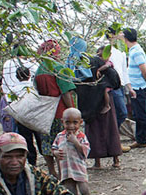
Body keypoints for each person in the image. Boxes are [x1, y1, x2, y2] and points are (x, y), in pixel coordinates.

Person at [69, 38, 122, 169]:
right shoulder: (94, 61)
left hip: (90, 103)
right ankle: (115, 160)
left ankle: (98, 162)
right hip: (101, 100)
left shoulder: (74, 64)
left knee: (94, 130)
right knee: (110, 127)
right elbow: (115, 80)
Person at [34, 40, 76, 179]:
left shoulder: (39, 69)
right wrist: (71, 110)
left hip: (45, 112)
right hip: (59, 111)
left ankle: (52, 171)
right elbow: (65, 92)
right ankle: (63, 170)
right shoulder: (58, 68)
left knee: (46, 142)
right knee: (61, 141)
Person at [52, 108, 96, 195]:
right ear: (62, 122)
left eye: (75, 122)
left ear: (80, 122)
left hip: (78, 169)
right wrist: (56, 153)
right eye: (67, 122)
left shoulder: (81, 136)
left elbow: (85, 151)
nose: (71, 126)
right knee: (71, 192)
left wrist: (75, 141)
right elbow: (54, 149)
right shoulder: (59, 136)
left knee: (84, 189)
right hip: (66, 169)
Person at [122, 28, 146, 150]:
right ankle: (140, 139)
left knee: (142, 114)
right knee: (137, 114)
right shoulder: (133, 50)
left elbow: (144, 69)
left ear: (126, 38)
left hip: (139, 87)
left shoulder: (136, 51)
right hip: (135, 86)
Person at [10, 67, 43, 167]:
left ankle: (32, 161)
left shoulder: (14, 89)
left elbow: (12, 105)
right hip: (36, 116)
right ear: (29, 75)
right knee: (40, 138)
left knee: (27, 140)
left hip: (22, 118)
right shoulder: (34, 87)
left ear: (16, 77)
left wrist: (15, 118)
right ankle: (46, 154)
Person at [105, 27, 130, 136]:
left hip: (121, 86)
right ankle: (111, 137)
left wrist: (129, 88)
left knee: (121, 113)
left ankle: (113, 138)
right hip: (112, 86)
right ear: (112, 35)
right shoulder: (106, 50)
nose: (122, 35)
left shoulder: (122, 51)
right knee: (121, 112)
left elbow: (124, 71)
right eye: (120, 33)